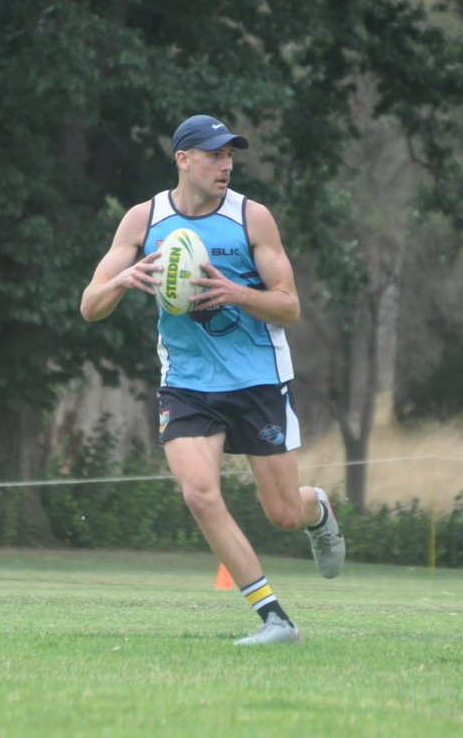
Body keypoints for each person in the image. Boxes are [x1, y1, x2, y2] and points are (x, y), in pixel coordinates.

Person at [80, 114, 345, 646]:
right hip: (188, 383)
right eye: (214, 154)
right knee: (200, 494)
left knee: (284, 513)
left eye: (230, 155)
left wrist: (238, 293)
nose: (226, 164)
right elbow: (89, 306)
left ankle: (316, 508)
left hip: (257, 381)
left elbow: (290, 307)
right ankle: (276, 619)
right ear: (183, 158)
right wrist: (124, 279)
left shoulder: (252, 218)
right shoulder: (142, 219)